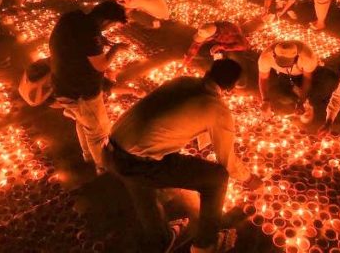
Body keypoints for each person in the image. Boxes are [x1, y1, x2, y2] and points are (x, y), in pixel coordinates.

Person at [105, 59, 262, 253]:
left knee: (143, 178)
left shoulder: (183, 81)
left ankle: (161, 239)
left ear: (209, 71)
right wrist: (249, 179)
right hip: (137, 164)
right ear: (230, 88)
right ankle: (205, 245)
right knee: (217, 178)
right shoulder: (216, 109)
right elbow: (227, 161)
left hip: (110, 149)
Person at [48, 0, 129, 173]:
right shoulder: (90, 33)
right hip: (81, 92)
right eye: (112, 25)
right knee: (99, 134)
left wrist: (101, 40)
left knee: (85, 123)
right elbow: (101, 65)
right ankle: (104, 169)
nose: (109, 29)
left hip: (62, 84)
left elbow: (78, 41)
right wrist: (116, 48)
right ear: (106, 21)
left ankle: (88, 156)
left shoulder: (73, 18)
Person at [258, 41, 319, 122]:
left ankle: (309, 104)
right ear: (274, 55)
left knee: (316, 91)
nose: (285, 67)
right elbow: (263, 78)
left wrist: (301, 101)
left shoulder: (307, 58)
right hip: (285, 76)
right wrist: (265, 101)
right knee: (284, 98)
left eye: (288, 64)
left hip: (304, 74)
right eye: (281, 64)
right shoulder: (266, 57)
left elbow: (307, 80)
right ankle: (296, 96)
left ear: (296, 57)